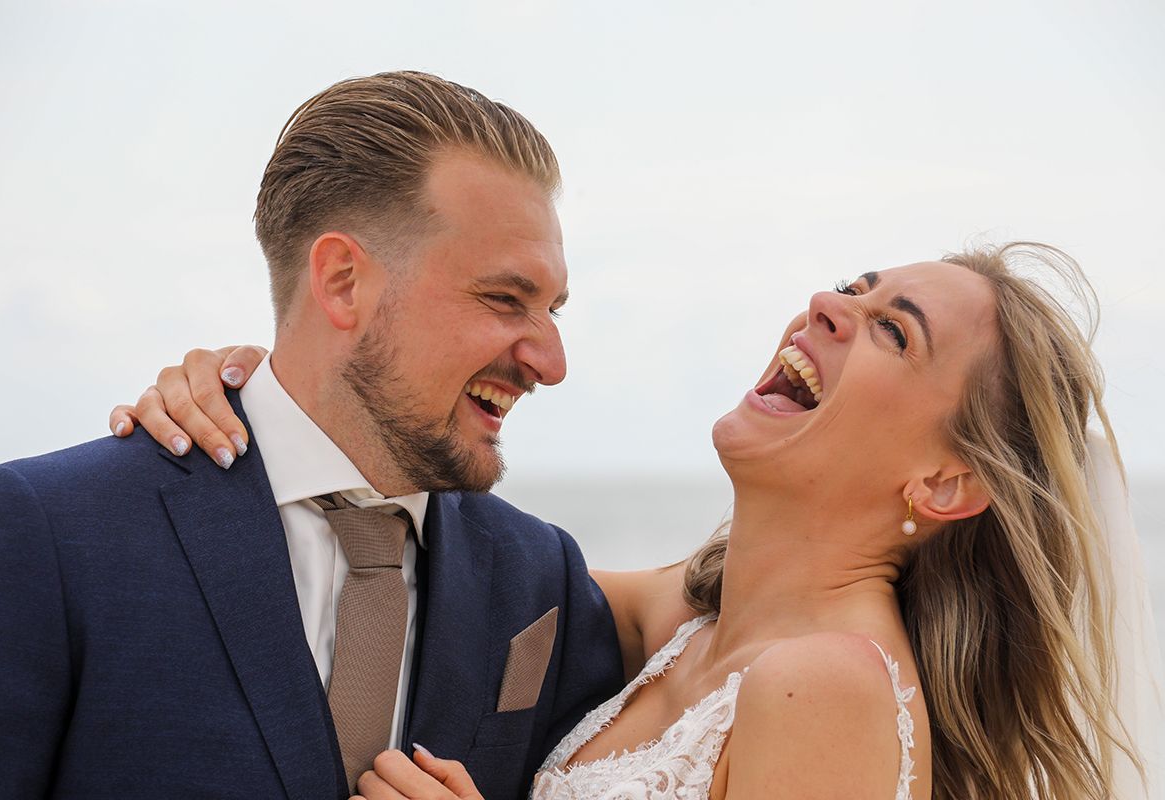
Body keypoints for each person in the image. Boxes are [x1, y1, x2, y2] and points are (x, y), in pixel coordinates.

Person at [126, 244, 1162, 799]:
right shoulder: (684, 621)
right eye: (853, 283)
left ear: (944, 483)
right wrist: (267, 403)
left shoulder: (830, 684)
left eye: (894, 330)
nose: (828, 304)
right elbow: (440, 549)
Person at [0, 72, 625, 800]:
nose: (550, 364)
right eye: (505, 299)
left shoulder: (542, 579)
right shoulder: (49, 534)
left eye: (552, 311)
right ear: (342, 281)